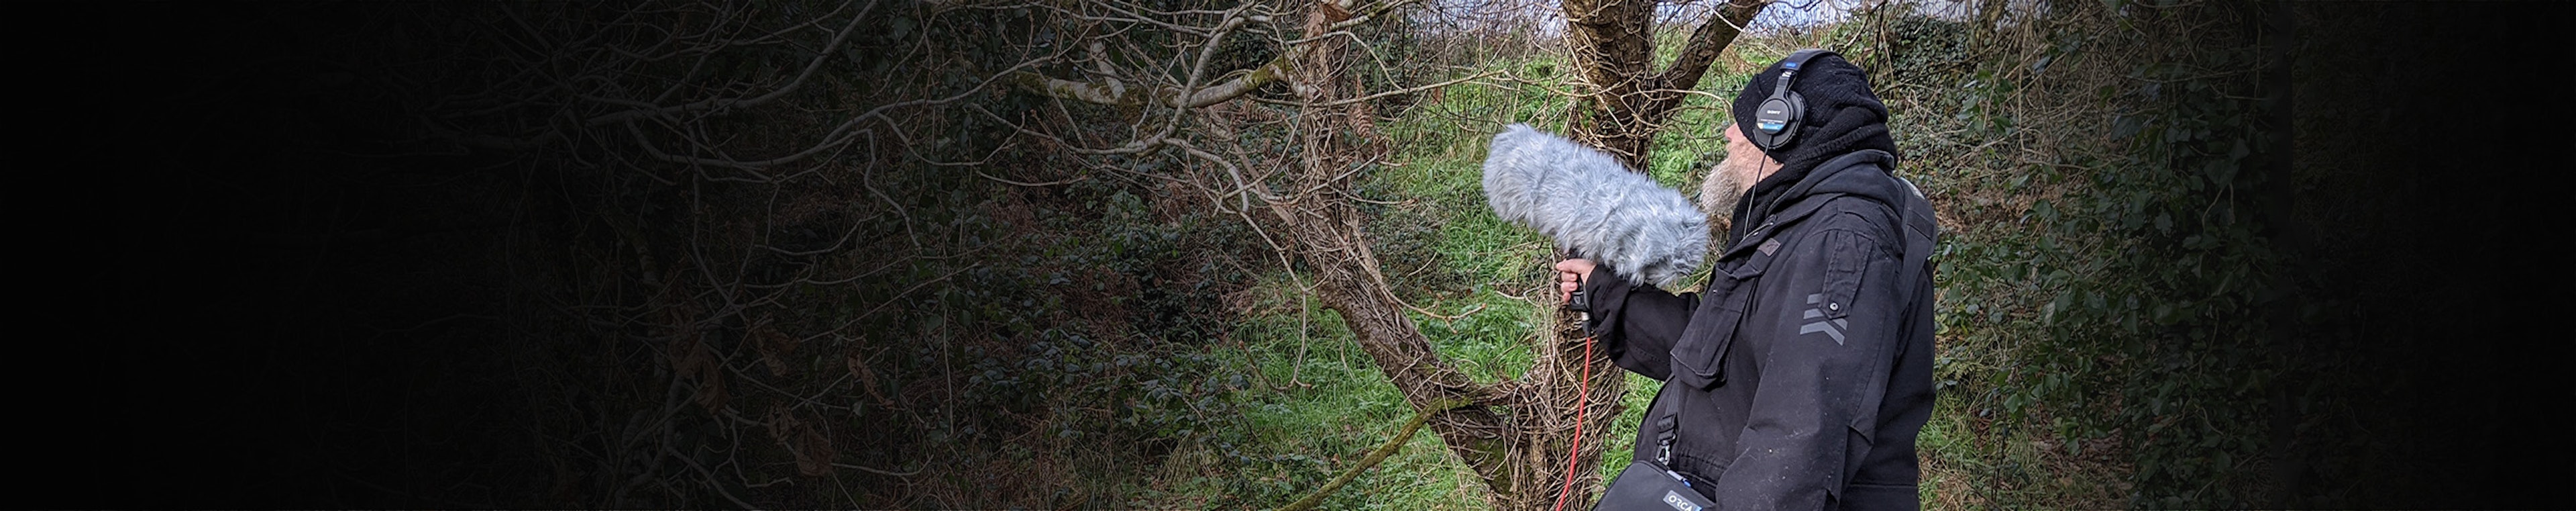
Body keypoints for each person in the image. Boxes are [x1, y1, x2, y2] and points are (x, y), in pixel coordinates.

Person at [1555, 50, 1938, 511]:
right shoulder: (1801, 228)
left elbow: (1798, 438)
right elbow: (1723, 354)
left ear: (1780, 127)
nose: (1730, 134)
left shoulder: (1841, 242)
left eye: (1743, 122)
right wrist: (1606, 291)